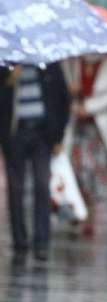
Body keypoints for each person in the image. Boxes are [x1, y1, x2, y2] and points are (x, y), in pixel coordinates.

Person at [0, 63, 71, 262]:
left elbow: (63, 100)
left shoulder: (49, 66)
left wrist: (58, 137)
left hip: (42, 134)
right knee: (16, 188)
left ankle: (41, 241)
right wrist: (8, 83)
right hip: (15, 133)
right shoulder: (6, 66)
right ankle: (19, 241)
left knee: (42, 184)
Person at [65, 54, 107, 237]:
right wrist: (73, 97)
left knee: (91, 175)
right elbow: (62, 89)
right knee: (76, 173)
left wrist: (89, 106)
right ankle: (77, 211)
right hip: (75, 128)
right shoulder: (71, 62)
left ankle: (89, 216)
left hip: (97, 131)